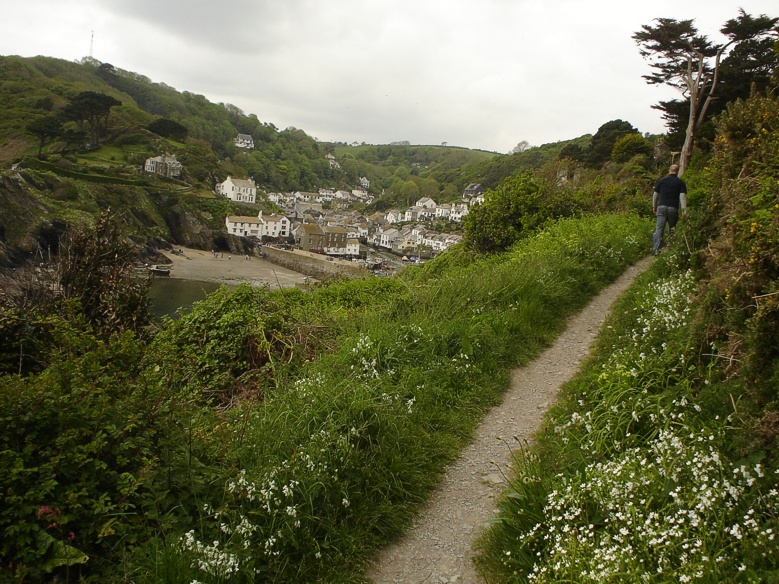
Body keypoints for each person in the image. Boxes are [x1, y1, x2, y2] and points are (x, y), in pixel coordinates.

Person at [652, 164, 687, 255]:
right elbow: (682, 197)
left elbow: (655, 195)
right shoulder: (680, 182)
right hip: (673, 208)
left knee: (659, 229)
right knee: (672, 229)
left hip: (661, 207)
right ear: (677, 171)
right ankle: (670, 248)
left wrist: (654, 206)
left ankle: (656, 249)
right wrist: (684, 209)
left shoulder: (662, 180)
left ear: (669, 170)